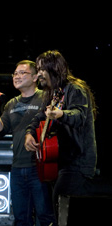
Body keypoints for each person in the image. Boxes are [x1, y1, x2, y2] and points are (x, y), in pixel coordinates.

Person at [0, 60, 57, 226]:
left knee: (45, 217)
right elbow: (0, 131)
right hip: (18, 168)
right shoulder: (11, 103)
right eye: (14, 74)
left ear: (35, 77)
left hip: (40, 167)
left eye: (22, 73)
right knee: (21, 219)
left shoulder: (46, 97)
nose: (16, 76)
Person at [25, 50, 97, 205]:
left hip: (78, 162)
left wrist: (60, 114)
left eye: (41, 70)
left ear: (53, 69)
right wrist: (30, 133)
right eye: (38, 70)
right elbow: (40, 116)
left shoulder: (75, 89)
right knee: (57, 206)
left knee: (61, 205)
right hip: (60, 162)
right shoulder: (54, 93)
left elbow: (79, 115)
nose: (38, 75)